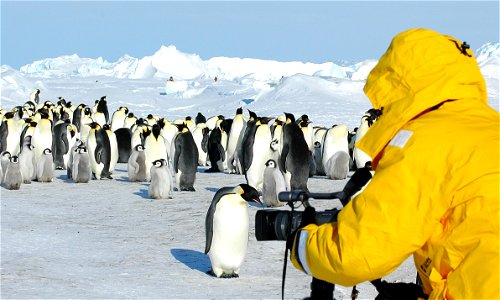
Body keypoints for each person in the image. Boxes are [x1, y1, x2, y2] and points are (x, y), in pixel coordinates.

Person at [289, 28, 499, 299]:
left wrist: (302, 244)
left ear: (402, 86)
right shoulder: (491, 125)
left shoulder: (423, 141)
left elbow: (357, 253)